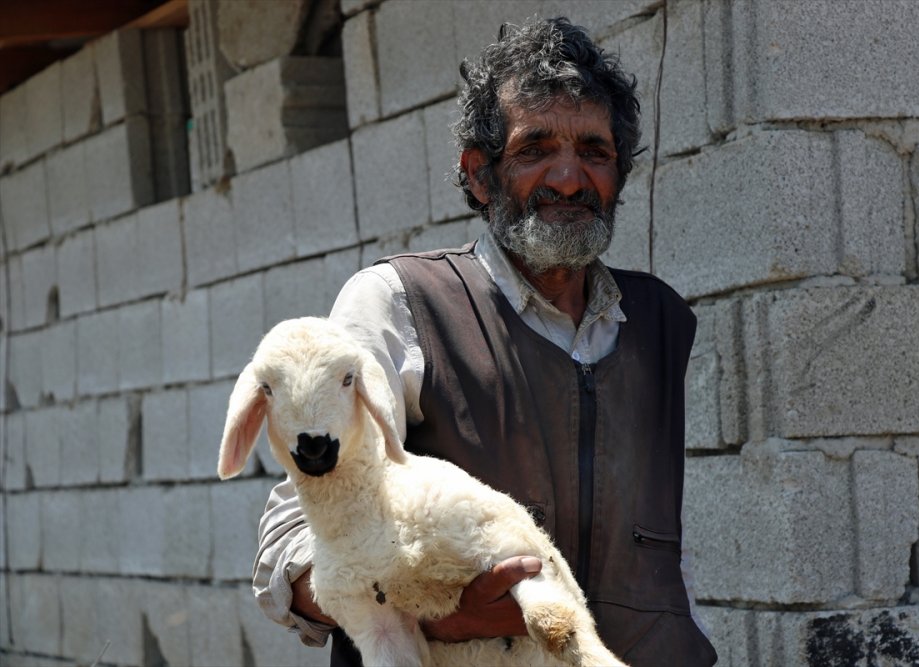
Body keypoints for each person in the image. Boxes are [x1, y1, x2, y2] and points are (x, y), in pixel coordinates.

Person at [253, 17, 718, 666]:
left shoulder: (658, 322)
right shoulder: (398, 304)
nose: (567, 177)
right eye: (535, 149)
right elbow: (291, 536)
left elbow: (666, 561)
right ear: (479, 175)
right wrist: (422, 606)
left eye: (594, 150)